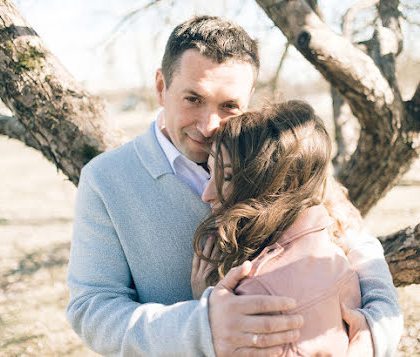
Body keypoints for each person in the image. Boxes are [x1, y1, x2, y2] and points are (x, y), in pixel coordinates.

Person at [66, 16, 403, 357]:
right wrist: (202, 328)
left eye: (229, 106)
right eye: (193, 99)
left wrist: (377, 330)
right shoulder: (105, 179)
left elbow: (356, 240)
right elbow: (92, 308)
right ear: (160, 87)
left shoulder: (275, 154)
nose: (209, 126)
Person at [191, 101, 367, 356]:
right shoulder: (333, 243)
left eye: (227, 177)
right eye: (210, 173)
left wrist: (204, 312)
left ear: (273, 183)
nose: (206, 195)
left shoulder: (256, 297)